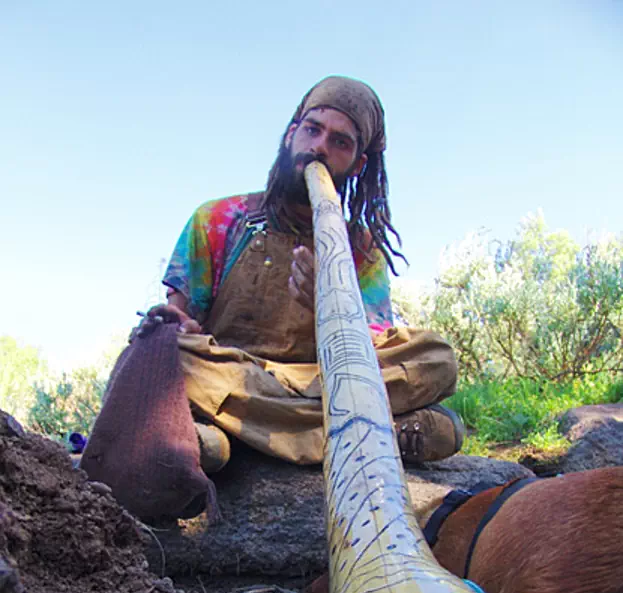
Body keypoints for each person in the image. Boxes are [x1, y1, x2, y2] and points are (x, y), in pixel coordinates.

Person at [81, 75, 463, 522]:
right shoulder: (219, 218)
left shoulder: (362, 248)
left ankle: (234, 440)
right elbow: (181, 320)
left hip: (320, 382)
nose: (319, 147)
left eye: (339, 142)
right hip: (231, 377)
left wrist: (331, 307)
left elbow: (371, 351)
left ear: (356, 164)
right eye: (312, 129)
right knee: (158, 353)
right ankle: (361, 435)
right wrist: (173, 326)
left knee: (437, 357)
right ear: (290, 134)